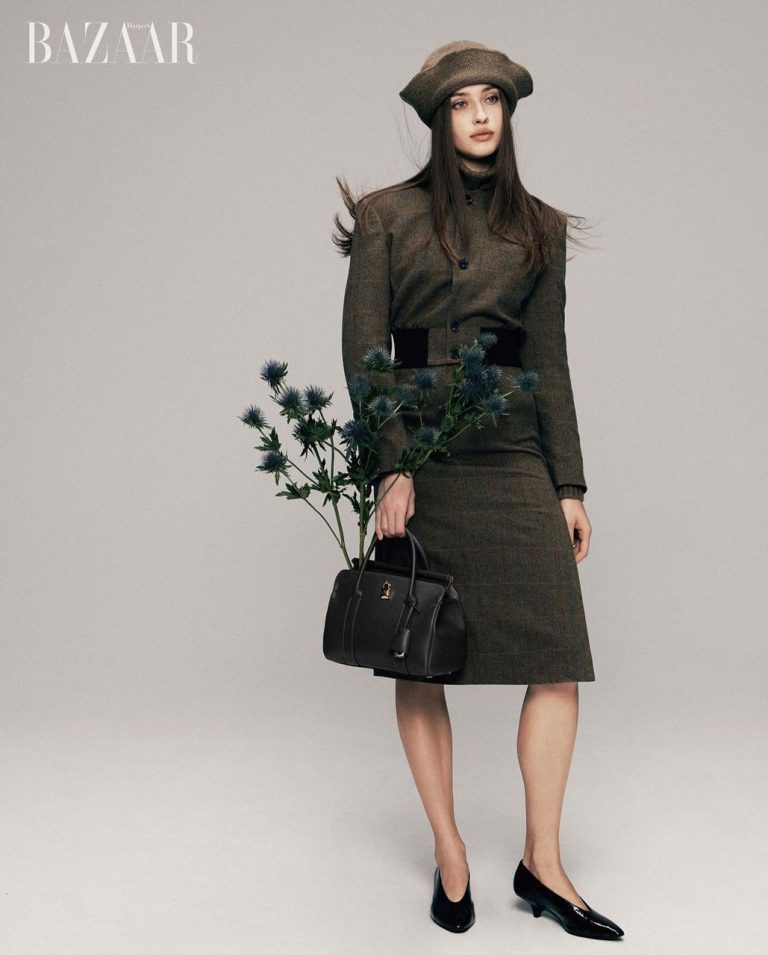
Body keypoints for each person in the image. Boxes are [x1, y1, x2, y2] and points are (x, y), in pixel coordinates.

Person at [334, 40, 624, 940]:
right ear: (438, 119)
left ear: (507, 112)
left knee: (558, 657)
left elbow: (550, 359)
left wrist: (568, 482)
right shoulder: (386, 218)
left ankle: (543, 862)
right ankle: (451, 853)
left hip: (511, 453)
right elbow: (364, 353)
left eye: (491, 99)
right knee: (418, 654)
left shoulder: (539, 227)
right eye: (461, 103)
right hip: (421, 458)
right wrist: (391, 464)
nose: (480, 115)